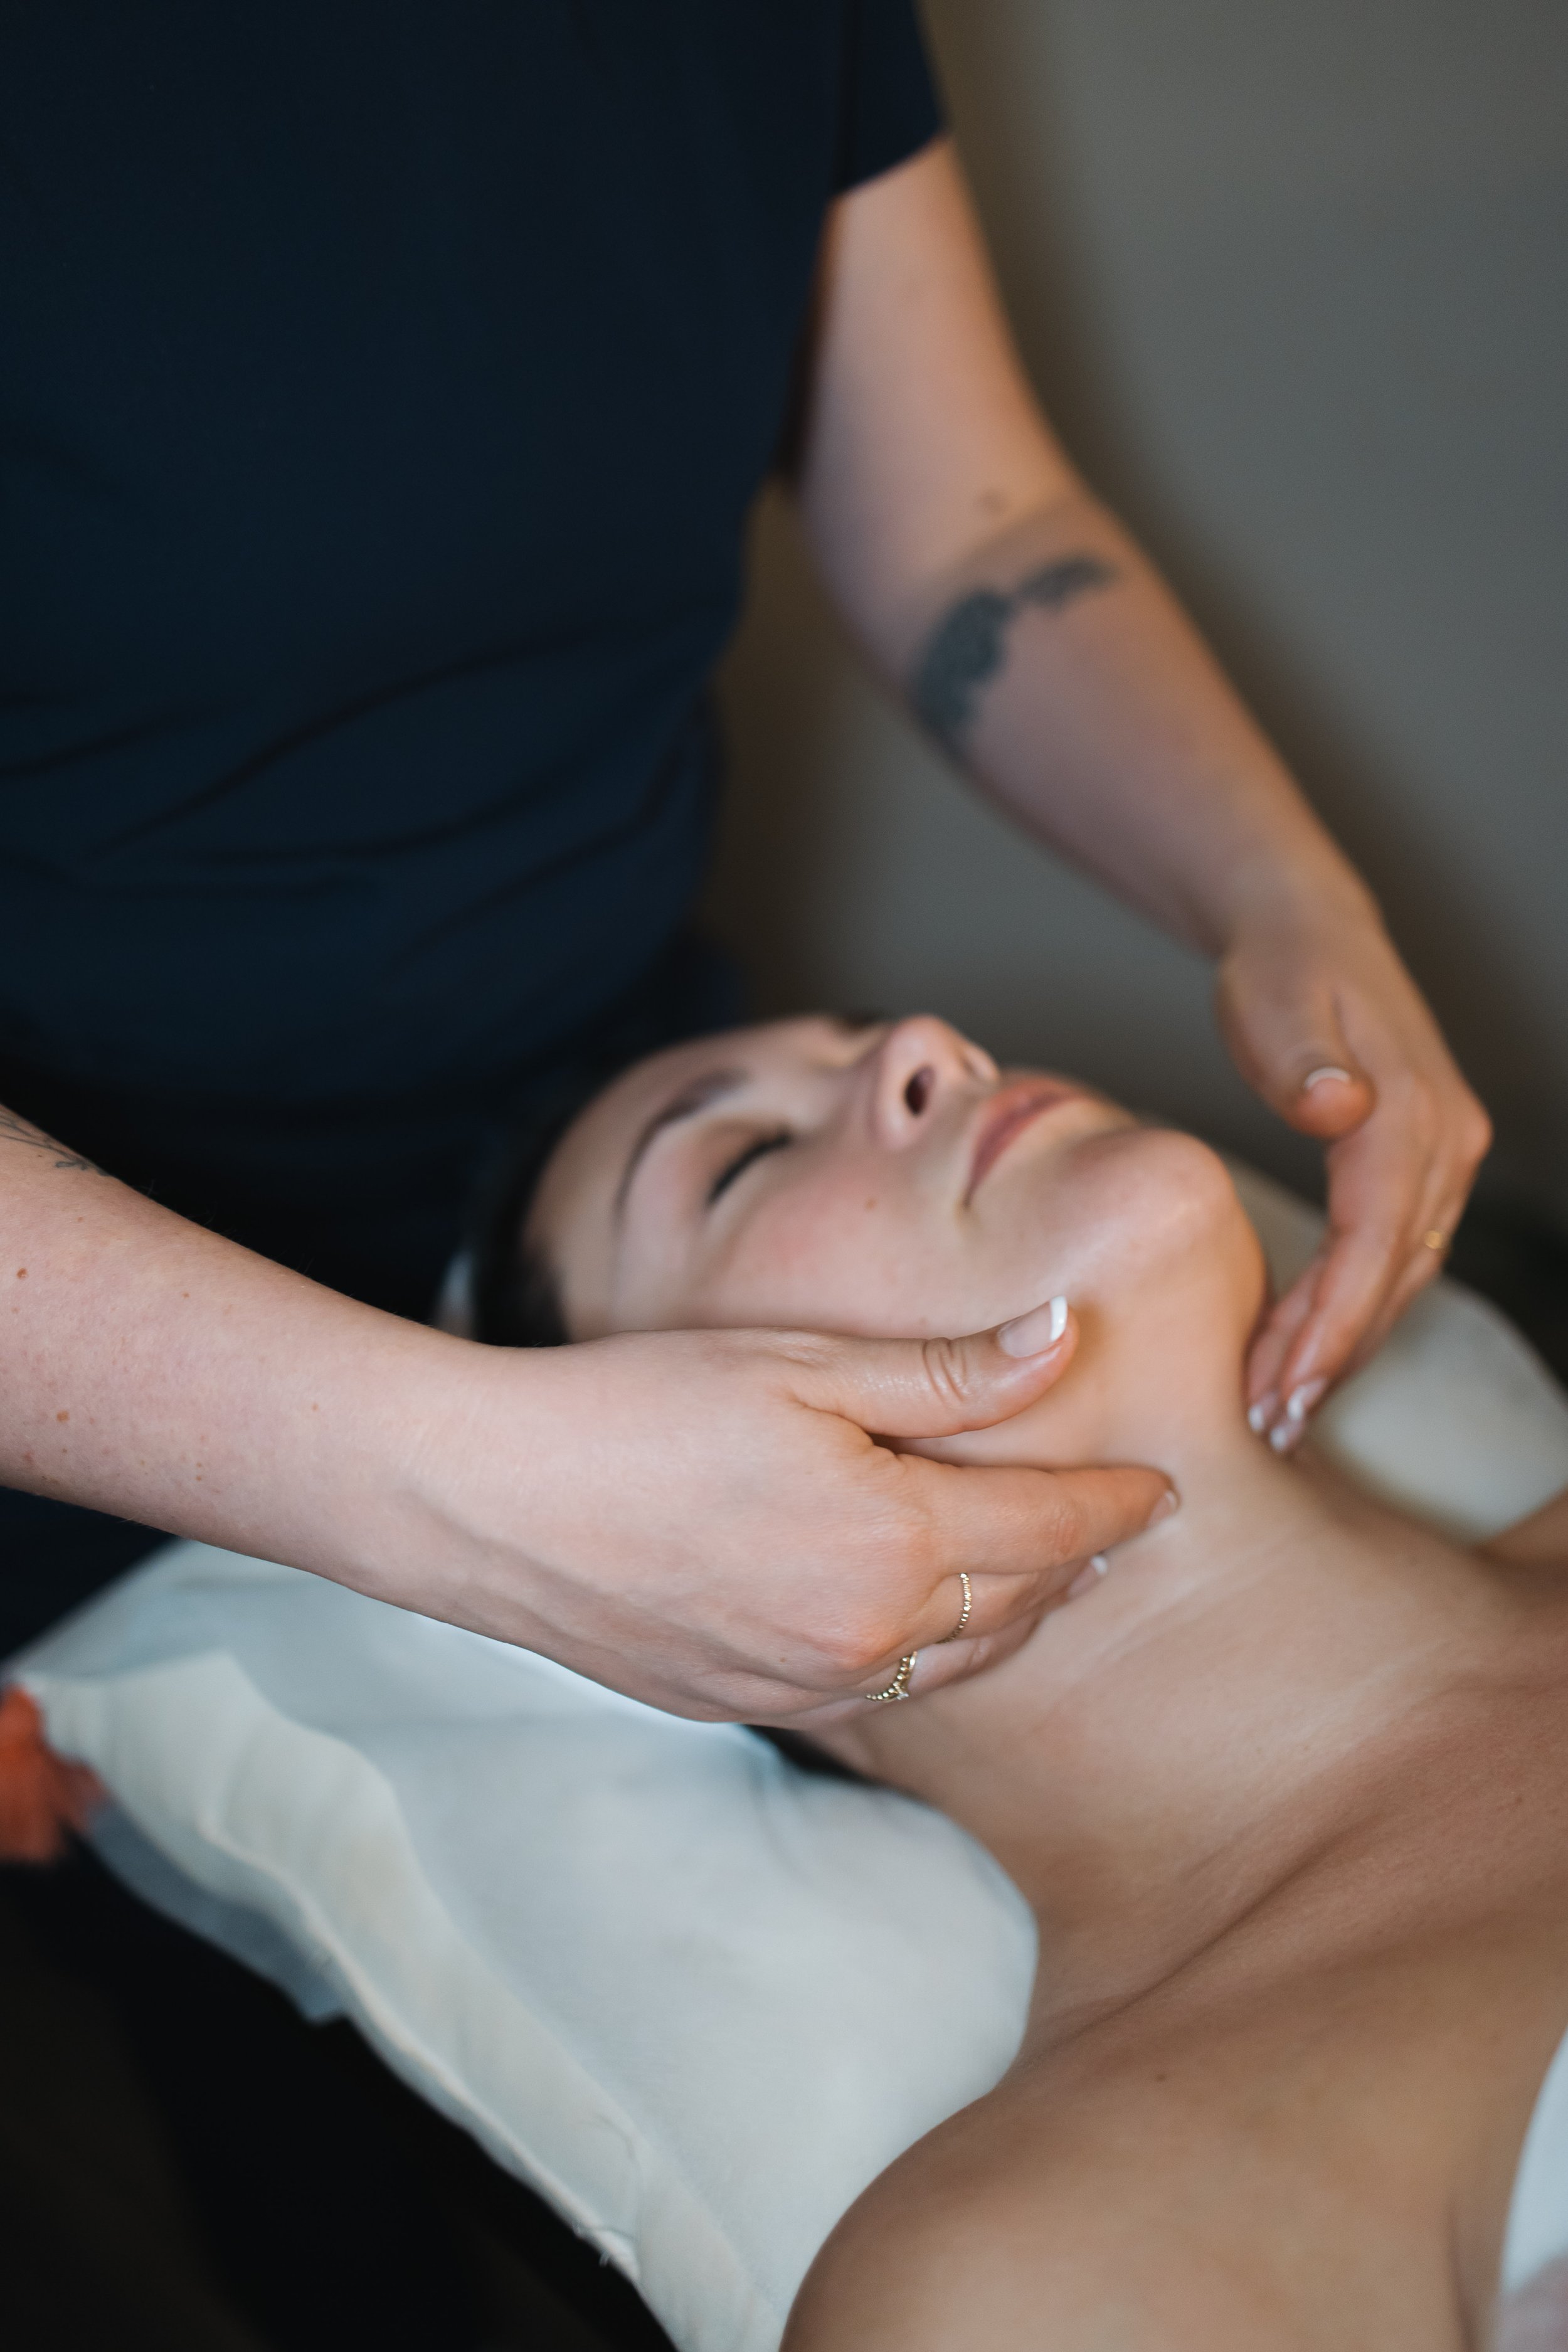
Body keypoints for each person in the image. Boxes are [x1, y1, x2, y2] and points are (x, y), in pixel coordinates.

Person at [0, 4, 1488, 1710]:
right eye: (747, 1154)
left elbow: (968, 526)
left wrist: (1279, 893)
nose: (928, 1037)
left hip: (599, 1079)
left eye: (803, 1087)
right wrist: (475, 1490)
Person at [482, 1009, 1568, 2344]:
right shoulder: (1038, 2267)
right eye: (741, 1161)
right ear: (692, 1616)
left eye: (856, 1038)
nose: (923, 1043)